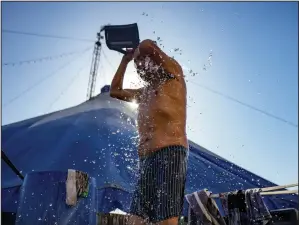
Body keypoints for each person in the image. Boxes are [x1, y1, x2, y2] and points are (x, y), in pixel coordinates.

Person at [110, 39, 188, 225]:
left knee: (166, 221)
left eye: (142, 62)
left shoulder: (173, 75)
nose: (140, 67)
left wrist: (136, 49)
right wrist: (126, 60)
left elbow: (146, 45)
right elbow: (115, 91)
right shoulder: (143, 93)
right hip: (146, 161)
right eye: (137, 66)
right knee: (135, 221)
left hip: (170, 154)